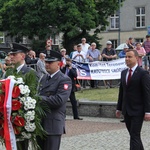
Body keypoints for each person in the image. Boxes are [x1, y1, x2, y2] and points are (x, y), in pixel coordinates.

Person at [5, 42, 38, 150]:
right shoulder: (8, 72)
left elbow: (34, 95)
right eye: (11, 55)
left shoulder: (30, 72)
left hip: (22, 116)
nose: (11, 57)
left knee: (21, 146)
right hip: (8, 117)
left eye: (14, 55)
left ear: (23, 56)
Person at [116, 49, 150, 150]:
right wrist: (119, 108)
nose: (127, 59)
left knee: (134, 135)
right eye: (126, 57)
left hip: (138, 110)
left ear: (136, 58)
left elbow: (147, 93)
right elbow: (122, 92)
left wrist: (148, 111)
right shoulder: (123, 73)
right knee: (134, 136)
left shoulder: (143, 73)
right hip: (127, 110)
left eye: (129, 57)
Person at [37, 50, 72, 150]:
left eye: (50, 62)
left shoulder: (64, 79)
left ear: (59, 64)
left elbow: (59, 100)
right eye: (46, 62)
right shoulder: (44, 78)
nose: (47, 64)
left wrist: (38, 99)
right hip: (41, 123)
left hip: (53, 125)